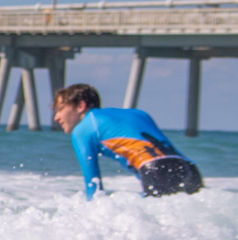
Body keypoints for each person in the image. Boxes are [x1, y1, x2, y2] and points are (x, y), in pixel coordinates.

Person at [53, 82, 204, 197]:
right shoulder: (138, 114)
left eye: (60, 109)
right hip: (190, 169)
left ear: (80, 105)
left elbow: (93, 183)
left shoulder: (83, 129)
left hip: (155, 169)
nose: (56, 117)